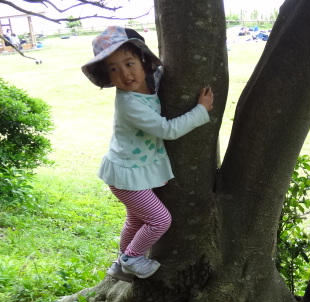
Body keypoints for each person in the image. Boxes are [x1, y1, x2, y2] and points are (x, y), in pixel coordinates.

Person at [81, 26, 214, 282]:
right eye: (114, 69)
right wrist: (200, 110)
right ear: (107, 76)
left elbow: (157, 74)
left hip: (130, 172)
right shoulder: (130, 104)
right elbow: (167, 129)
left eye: (129, 63)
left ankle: (120, 262)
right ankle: (132, 258)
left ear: (143, 61)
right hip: (126, 176)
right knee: (159, 220)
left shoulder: (147, 83)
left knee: (134, 220)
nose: (125, 73)